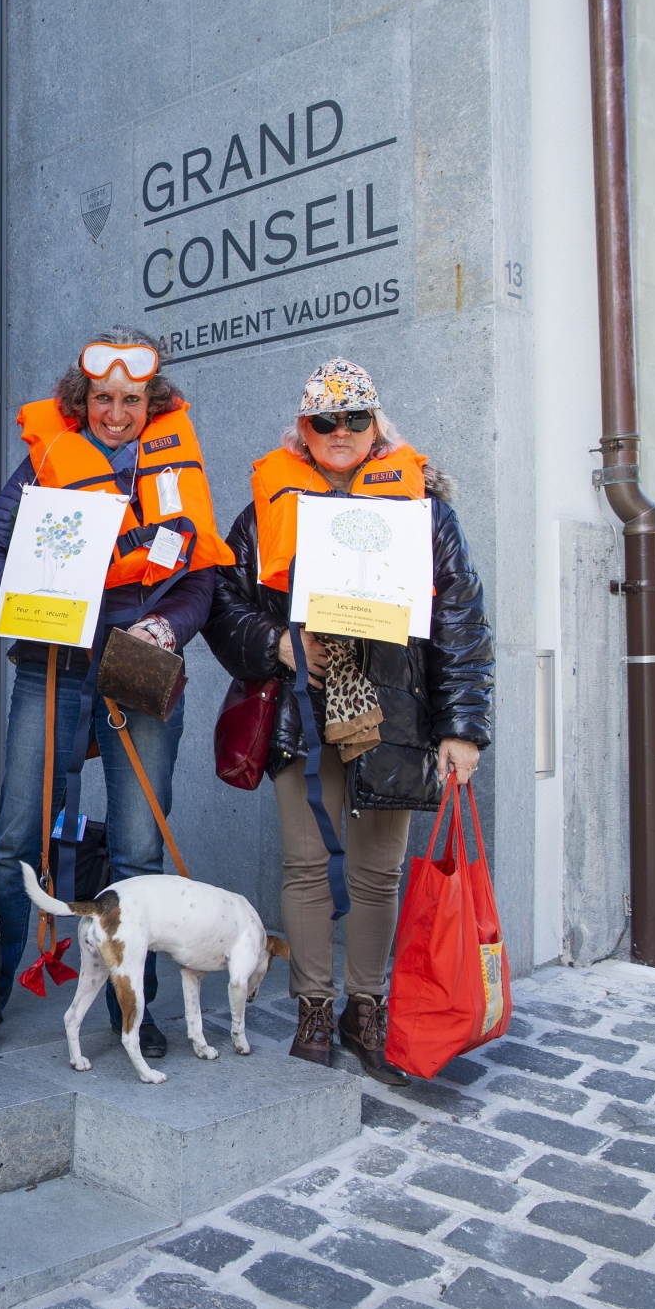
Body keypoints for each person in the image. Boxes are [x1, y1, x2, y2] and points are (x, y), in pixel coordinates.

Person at [204, 357, 493, 1085]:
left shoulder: (426, 510)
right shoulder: (265, 507)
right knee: (305, 862)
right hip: (301, 707)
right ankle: (313, 1005)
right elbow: (222, 600)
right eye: (324, 420)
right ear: (303, 428)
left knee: (376, 869)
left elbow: (460, 619)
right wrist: (276, 642)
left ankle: (365, 1004)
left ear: (376, 423)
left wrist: (462, 727)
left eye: (354, 417)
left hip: (392, 708)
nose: (340, 432)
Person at [0, 329, 233, 1051]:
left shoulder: (177, 465)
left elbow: (203, 574)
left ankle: (129, 1011)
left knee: (139, 848)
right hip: (53, 661)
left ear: (154, 400)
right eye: (103, 399)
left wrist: (168, 629)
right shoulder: (46, 460)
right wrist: (39, 597)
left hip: (140, 666)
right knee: (13, 837)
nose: (116, 413)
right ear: (82, 401)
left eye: (131, 400)